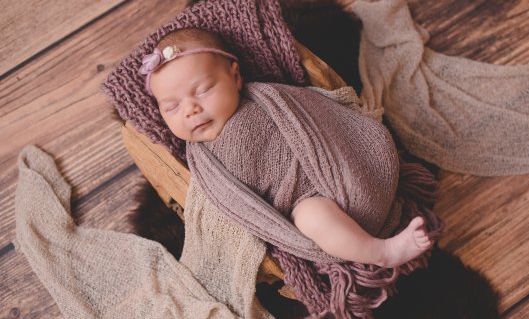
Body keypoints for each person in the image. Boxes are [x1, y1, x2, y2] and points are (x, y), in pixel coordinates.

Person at [139, 27, 432, 268]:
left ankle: (369, 235)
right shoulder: (202, 161)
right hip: (303, 201)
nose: (190, 109)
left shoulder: (268, 99)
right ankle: (382, 253)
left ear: (235, 76)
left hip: (337, 167)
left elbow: (314, 114)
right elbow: (232, 204)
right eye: (172, 107)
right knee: (312, 216)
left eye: (202, 90)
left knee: (373, 138)